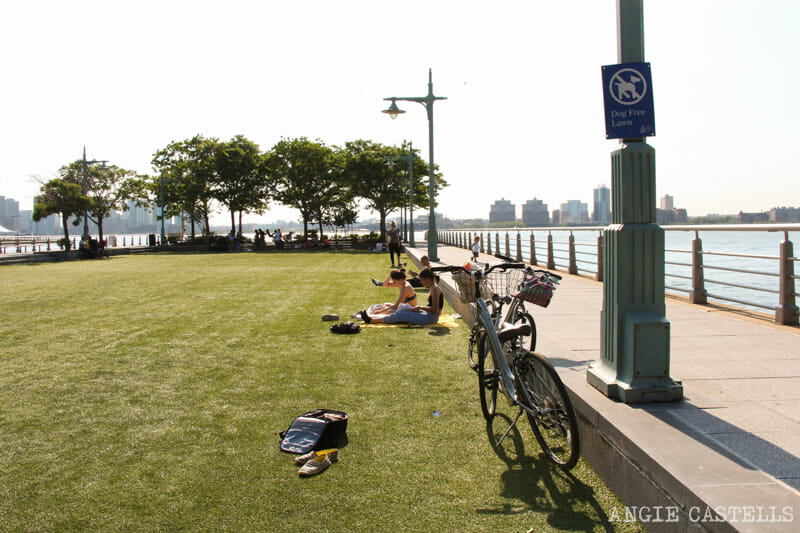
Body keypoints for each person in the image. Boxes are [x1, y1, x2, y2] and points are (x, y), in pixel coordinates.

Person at [362, 268, 442, 325]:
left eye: (421, 280)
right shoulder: (434, 287)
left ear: (427, 279)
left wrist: (420, 307)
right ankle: (373, 318)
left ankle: (372, 320)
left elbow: (435, 309)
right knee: (401, 312)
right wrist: (419, 308)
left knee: (401, 315)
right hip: (429, 315)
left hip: (431, 318)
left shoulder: (435, 289)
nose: (421, 282)